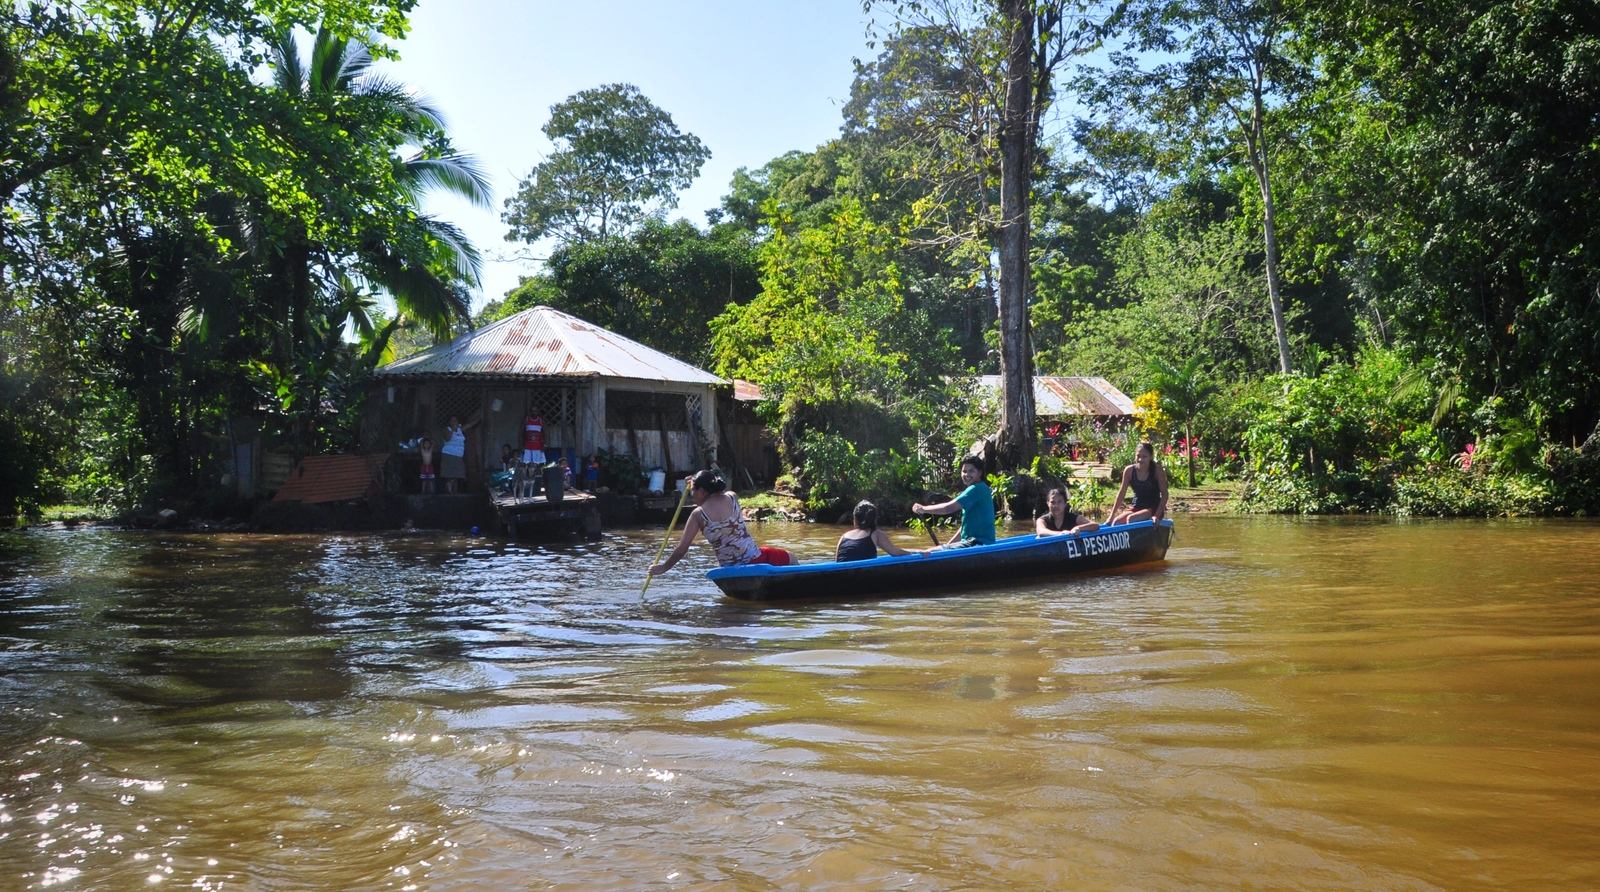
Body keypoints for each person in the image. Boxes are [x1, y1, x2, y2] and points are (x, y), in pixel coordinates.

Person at [649, 470, 793, 576]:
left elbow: (681, 549)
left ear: (703, 491)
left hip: (729, 569)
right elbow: (718, 489)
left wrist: (663, 568)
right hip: (756, 559)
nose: (692, 494)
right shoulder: (732, 497)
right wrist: (696, 480)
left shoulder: (698, 515)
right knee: (791, 557)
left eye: (693, 490)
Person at [912, 455, 996, 549]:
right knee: (940, 549)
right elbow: (964, 528)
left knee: (930, 551)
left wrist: (923, 509)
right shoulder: (979, 487)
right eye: (964, 471)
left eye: (971, 471)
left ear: (979, 473)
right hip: (974, 542)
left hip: (978, 543)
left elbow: (948, 508)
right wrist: (948, 546)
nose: (967, 474)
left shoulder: (976, 489)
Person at [835, 500, 915, 562]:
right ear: (874, 520)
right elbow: (896, 552)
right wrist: (919, 552)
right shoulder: (876, 533)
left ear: (855, 520)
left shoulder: (844, 536)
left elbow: (837, 561)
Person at [1109, 441, 1168, 525]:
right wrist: (1111, 516)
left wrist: (1156, 516)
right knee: (1116, 522)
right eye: (1138, 456)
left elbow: (1165, 494)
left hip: (1153, 508)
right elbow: (1121, 493)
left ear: (1150, 457)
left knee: (1131, 519)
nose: (1140, 459)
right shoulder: (1129, 470)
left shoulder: (1157, 471)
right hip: (1137, 506)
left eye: (1144, 457)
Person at [1036, 486, 1100, 536]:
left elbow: (1095, 525)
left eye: (1059, 502)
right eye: (1052, 502)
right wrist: (1060, 534)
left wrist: (1078, 528)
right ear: (1047, 503)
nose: (1056, 505)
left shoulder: (1073, 518)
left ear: (1065, 503)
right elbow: (1041, 531)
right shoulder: (1042, 520)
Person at [440, 415, 468, 494]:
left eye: (455, 420)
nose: (454, 422)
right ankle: (448, 492)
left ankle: (455, 493)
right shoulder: (447, 429)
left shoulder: (460, 430)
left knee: (457, 475)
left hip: (459, 455)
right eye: (452, 420)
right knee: (449, 475)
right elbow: (448, 438)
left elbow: (469, 425)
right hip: (449, 454)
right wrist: (452, 429)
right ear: (449, 422)